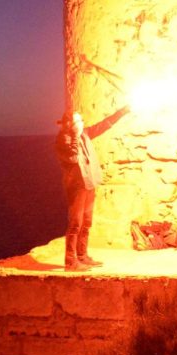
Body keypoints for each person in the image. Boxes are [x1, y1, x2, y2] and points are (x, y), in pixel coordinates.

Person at [55, 105, 130, 271]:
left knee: (87, 222)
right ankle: (70, 261)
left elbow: (104, 125)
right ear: (69, 125)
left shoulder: (85, 134)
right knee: (76, 223)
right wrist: (74, 136)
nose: (82, 123)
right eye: (78, 121)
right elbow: (73, 158)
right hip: (76, 186)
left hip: (89, 183)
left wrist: (122, 111)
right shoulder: (63, 140)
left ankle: (82, 256)